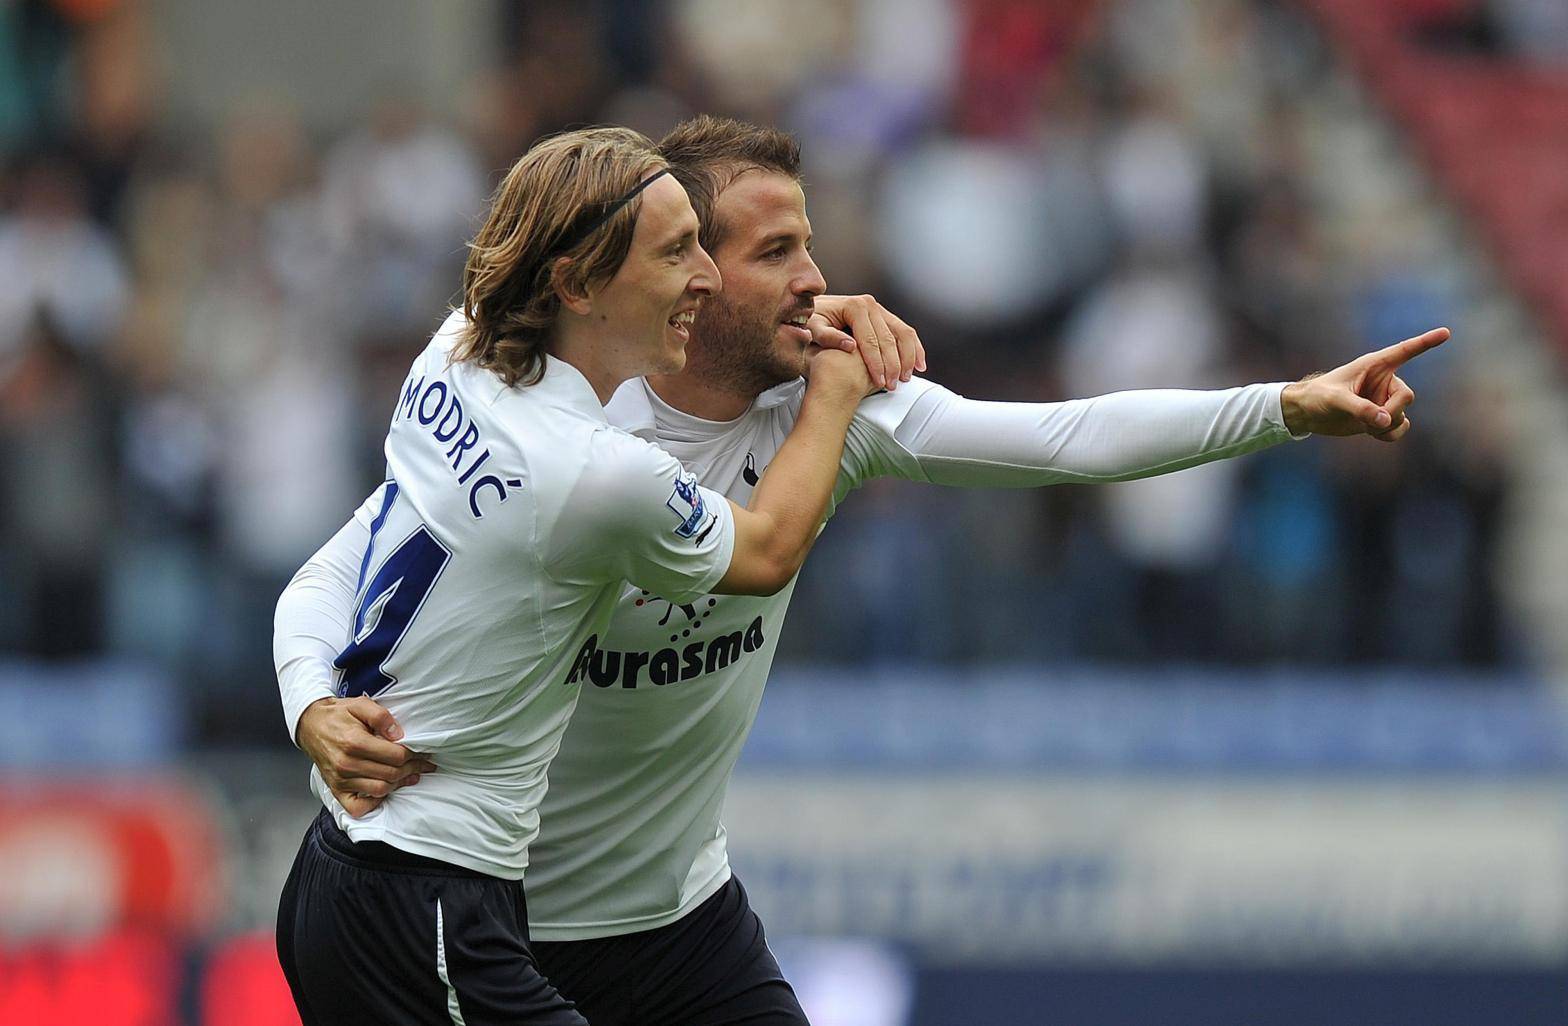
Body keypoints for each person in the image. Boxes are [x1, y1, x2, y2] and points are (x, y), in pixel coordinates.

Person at [278, 116, 1446, 1026]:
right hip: (498, 910)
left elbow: (1064, 437)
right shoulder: (575, 431)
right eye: (765, 251)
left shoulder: (831, 409)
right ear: (677, 275)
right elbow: (343, 566)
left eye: (811, 245)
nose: (812, 277)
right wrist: (312, 703)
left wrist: (1286, 406)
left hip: (674, 918)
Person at [273, 125, 878, 1026]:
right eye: (678, 253)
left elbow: (342, 557)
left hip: (379, 877)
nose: (705, 279)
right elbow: (767, 552)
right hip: (419, 904)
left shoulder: (454, 355)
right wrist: (834, 389)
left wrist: (308, 700)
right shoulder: (595, 472)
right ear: (580, 283)